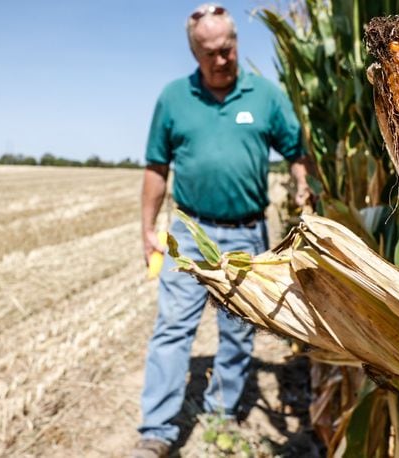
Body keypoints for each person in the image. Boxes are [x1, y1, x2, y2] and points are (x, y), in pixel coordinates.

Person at [133, 4, 310, 457]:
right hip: (188, 232)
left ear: (236, 44)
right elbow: (156, 167)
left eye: (227, 49)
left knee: (236, 329)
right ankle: (157, 430)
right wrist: (148, 227)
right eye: (209, 52)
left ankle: (221, 413)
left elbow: (296, 150)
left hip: (248, 233)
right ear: (195, 52)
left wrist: (303, 186)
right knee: (173, 327)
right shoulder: (174, 98)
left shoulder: (265, 96)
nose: (221, 60)